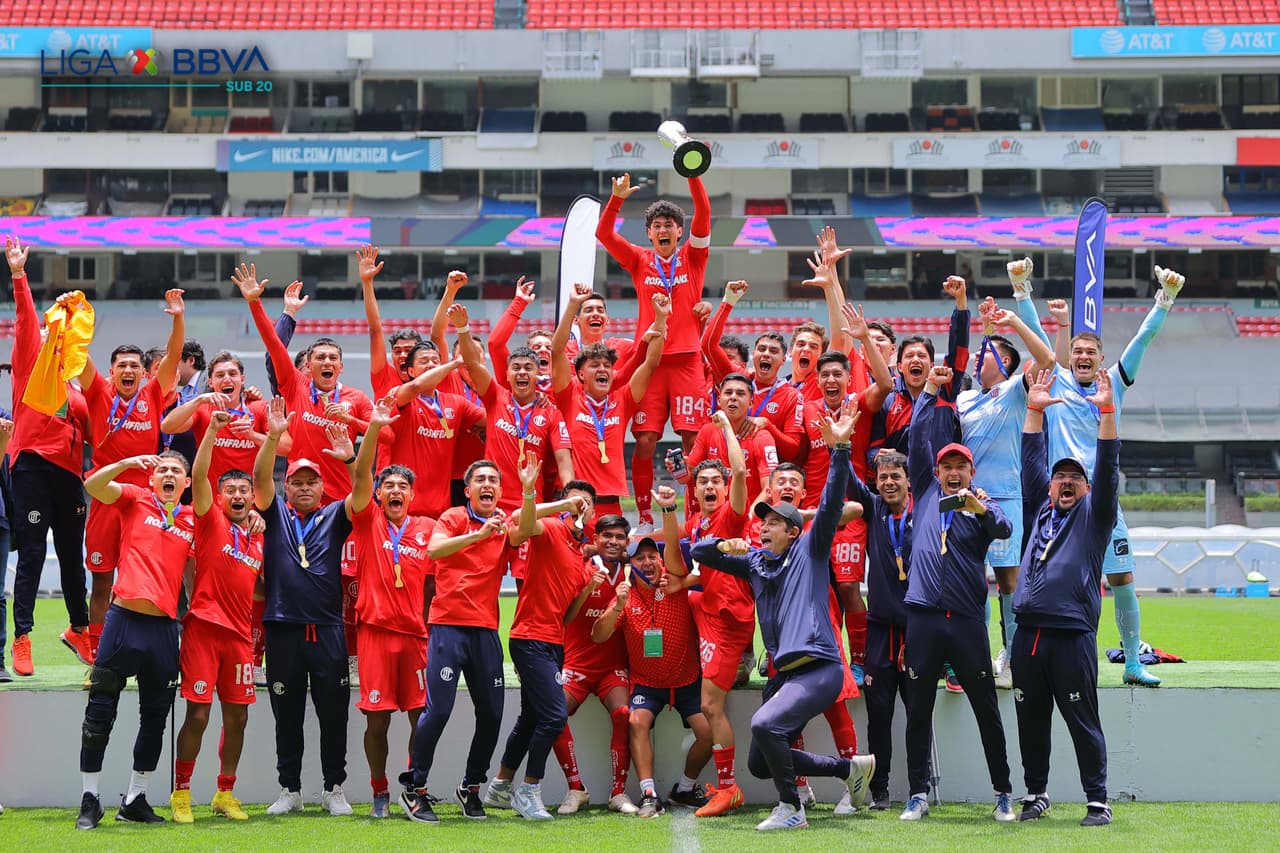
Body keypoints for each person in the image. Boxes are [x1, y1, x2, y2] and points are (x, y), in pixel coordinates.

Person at [690, 403, 876, 832]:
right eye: (763, 522)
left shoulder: (809, 552)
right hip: (785, 675)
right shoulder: (755, 562)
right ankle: (848, 771)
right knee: (759, 760)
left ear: (793, 531)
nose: (764, 527)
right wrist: (724, 547)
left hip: (818, 668)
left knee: (763, 724)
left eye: (773, 523)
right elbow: (696, 553)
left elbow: (831, 505)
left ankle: (792, 809)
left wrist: (842, 447)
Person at [1011, 262, 1186, 687]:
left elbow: (1142, 340)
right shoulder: (1056, 381)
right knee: (1043, 579)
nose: (1084, 357)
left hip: (1101, 502)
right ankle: (1033, 659)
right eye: (1078, 352)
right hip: (1060, 501)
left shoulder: (1115, 384)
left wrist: (1164, 300)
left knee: (1122, 577)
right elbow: (1039, 342)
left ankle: (1130, 663)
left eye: (1092, 352)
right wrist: (1021, 290)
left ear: (1101, 359)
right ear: (1071, 357)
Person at [898, 364, 1015, 822]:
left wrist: (979, 508)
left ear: (970, 470)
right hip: (924, 615)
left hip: (966, 620)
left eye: (959, 466)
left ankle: (1003, 792)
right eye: (945, 466)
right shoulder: (925, 490)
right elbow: (919, 430)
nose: (951, 472)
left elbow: (1003, 529)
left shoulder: (980, 502)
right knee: (917, 708)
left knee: (986, 707)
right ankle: (917, 794)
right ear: (937, 471)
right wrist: (928, 390)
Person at [1015, 368, 1119, 827]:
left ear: (1087, 488)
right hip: (1028, 634)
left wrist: (1107, 415)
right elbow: (1032, 460)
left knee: (1081, 720)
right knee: (1030, 721)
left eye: (1075, 477)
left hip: (1070, 635)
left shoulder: (1095, 519)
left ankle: (1098, 800)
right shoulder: (1040, 509)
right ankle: (1037, 794)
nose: (1065, 482)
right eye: (1061, 477)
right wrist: (1034, 408)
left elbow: (1108, 467)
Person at [253, 396, 360, 818]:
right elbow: (261, 476)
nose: (302, 486)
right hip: (283, 629)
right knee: (287, 715)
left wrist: (350, 460)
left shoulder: (336, 513)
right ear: (286, 487)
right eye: (296, 481)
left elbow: (363, 493)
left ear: (322, 487)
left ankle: (334, 788)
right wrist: (274, 436)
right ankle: (290, 788)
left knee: (334, 715)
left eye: (310, 481)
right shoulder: (275, 512)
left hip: (328, 628)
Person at [77, 450, 194, 830]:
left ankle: (135, 799)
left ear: (187, 483)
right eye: (162, 469)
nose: (169, 474)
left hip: (164, 630)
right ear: (152, 478)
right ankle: (90, 799)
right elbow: (92, 485)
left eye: (177, 471)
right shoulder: (133, 497)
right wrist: (127, 464)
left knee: (155, 719)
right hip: (123, 620)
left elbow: (193, 574)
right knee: (99, 714)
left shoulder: (192, 519)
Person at [596, 171, 712, 533]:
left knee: (693, 439)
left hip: (688, 361)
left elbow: (705, 213)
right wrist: (615, 199)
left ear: (680, 231)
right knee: (644, 439)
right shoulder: (638, 259)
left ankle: (694, 514)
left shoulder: (693, 257)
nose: (664, 230)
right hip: (650, 359)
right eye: (657, 225)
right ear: (649, 233)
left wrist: (693, 176)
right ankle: (645, 516)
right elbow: (603, 235)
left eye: (670, 224)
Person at [399, 460, 511, 824]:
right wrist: (478, 536)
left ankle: (471, 787)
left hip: (486, 630)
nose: (487, 483)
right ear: (468, 490)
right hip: (448, 626)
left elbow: (532, 517)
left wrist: (554, 501)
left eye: (493, 479)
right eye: (480, 479)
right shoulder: (451, 518)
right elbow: (434, 550)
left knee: (493, 714)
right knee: (439, 711)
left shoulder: (504, 521)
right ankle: (414, 788)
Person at [955, 284, 1057, 688]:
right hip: (968, 499)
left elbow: (1048, 358)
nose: (979, 359)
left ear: (1006, 362)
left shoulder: (1016, 391)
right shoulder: (964, 399)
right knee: (972, 579)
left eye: (987, 354)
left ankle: (1014, 657)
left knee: (1009, 581)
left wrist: (1011, 321)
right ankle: (976, 657)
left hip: (1007, 499)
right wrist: (981, 326)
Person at [78, 290, 185, 665]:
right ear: (111, 372)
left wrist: (177, 318)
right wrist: (70, 318)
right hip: (108, 496)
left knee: (145, 580)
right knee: (103, 580)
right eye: (120, 365)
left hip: (145, 500)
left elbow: (173, 357)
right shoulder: (98, 393)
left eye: (134, 366)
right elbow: (80, 358)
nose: (127, 371)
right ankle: (94, 653)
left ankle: (145, 652)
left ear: (144, 372)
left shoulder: (154, 394)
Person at [484, 463, 595, 820]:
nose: (583, 507)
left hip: (553, 641)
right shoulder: (549, 528)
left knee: (532, 717)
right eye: (577, 501)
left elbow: (568, 614)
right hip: (529, 638)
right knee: (554, 715)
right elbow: (519, 518)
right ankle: (529, 790)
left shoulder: (581, 555)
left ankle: (500, 787)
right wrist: (540, 495)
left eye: (588, 503)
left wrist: (589, 586)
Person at [170, 412, 265, 824]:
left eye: (245, 489)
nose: (239, 495)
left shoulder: (257, 535)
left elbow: (253, 587)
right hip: (204, 630)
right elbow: (201, 472)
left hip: (240, 638)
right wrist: (210, 430)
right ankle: (181, 793)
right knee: (199, 714)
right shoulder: (210, 521)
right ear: (220, 498)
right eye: (232, 490)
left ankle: (225, 792)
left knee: (238, 716)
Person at [7, 237, 91, 678]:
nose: (51, 339)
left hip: (68, 475)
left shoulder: (75, 387)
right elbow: (24, 323)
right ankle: (22, 638)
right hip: (33, 467)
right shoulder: (29, 367)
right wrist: (20, 276)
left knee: (72, 556)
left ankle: (79, 629)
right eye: (47, 334)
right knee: (34, 555)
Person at [348, 401, 434, 819]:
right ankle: (379, 789)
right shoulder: (366, 520)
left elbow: (438, 580)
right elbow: (360, 474)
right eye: (390, 486)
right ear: (379, 494)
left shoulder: (427, 529)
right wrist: (372, 433)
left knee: (422, 717)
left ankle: (414, 787)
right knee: (377, 720)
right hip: (376, 634)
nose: (396, 491)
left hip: (416, 636)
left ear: (412, 495)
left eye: (403, 486)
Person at [662, 410, 750, 817]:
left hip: (727, 617)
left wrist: (727, 427)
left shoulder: (731, 516)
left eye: (717, 481)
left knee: (712, 706)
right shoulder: (696, 521)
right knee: (672, 595)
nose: (711, 486)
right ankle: (655, 676)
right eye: (704, 481)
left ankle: (730, 788)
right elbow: (685, 571)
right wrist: (682, 582)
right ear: (693, 489)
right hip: (706, 607)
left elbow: (739, 469)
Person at [591, 536, 713, 820]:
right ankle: (649, 794)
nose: (647, 563)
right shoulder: (625, 596)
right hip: (647, 683)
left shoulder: (674, 584)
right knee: (636, 721)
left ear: (660, 560)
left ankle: (684, 788)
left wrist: (683, 582)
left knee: (708, 733)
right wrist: (618, 605)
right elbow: (598, 635)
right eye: (639, 558)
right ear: (629, 564)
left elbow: (706, 572)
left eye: (651, 557)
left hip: (687, 680)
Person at [452, 301, 573, 584]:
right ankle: (482, 630)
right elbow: (472, 362)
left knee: (527, 584)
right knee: (482, 581)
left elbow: (565, 459)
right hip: (489, 506)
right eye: (516, 367)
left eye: (528, 368)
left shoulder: (551, 413)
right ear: (506, 374)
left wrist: (570, 496)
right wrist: (462, 328)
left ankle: (523, 631)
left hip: (530, 507)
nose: (521, 372)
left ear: (537, 374)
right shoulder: (496, 397)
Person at [552, 282, 669, 519]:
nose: (603, 369)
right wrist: (573, 303)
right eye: (595, 365)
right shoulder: (569, 395)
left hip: (611, 504)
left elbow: (651, 363)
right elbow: (556, 351)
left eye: (607, 365)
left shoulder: (622, 399)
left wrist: (660, 319)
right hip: (574, 502)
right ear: (581, 373)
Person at [551, 513, 637, 815]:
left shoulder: (633, 572)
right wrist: (587, 588)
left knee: (623, 714)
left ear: (627, 543)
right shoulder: (580, 569)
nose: (613, 542)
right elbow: (564, 618)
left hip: (612, 668)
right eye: (606, 537)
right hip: (576, 665)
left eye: (619, 537)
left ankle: (618, 793)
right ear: (595, 539)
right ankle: (576, 788)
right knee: (554, 716)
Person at [846, 449, 914, 810]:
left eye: (895, 476)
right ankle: (880, 790)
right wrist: (840, 448)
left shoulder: (925, 512)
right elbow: (848, 480)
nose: (888, 483)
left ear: (907, 479)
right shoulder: (873, 508)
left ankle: (918, 788)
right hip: (879, 631)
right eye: (882, 477)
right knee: (879, 716)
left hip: (917, 630)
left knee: (918, 714)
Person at [868, 275, 971, 463]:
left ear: (932, 365)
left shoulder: (944, 391)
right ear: (899, 366)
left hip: (940, 485)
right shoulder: (887, 400)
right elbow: (873, 447)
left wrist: (961, 303)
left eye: (922, 356)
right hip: (901, 488)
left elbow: (959, 351)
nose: (915, 360)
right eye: (909, 356)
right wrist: (875, 456)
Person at [701, 281, 805, 462]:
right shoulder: (737, 380)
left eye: (773, 351)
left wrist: (767, 425)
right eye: (762, 349)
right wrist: (728, 302)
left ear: (783, 359)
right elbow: (708, 345)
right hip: (726, 470)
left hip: (765, 474)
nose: (766, 354)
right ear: (753, 355)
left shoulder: (791, 397)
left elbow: (792, 451)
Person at [385, 347, 484, 519]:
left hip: (441, 510)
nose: (431, 365)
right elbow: (417, 385)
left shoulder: (457, 403)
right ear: (410, 371)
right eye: (424, 361)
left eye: (435, 361)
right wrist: (454, 364)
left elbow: (494, 420)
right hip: (403, 509)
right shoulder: (399, 395)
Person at [356, 243, 424, 398]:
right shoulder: (384, 376)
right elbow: (375, 329)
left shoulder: (431, 381)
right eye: (397, 351)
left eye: (408, 350)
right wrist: (367, 283)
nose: (402, 355)